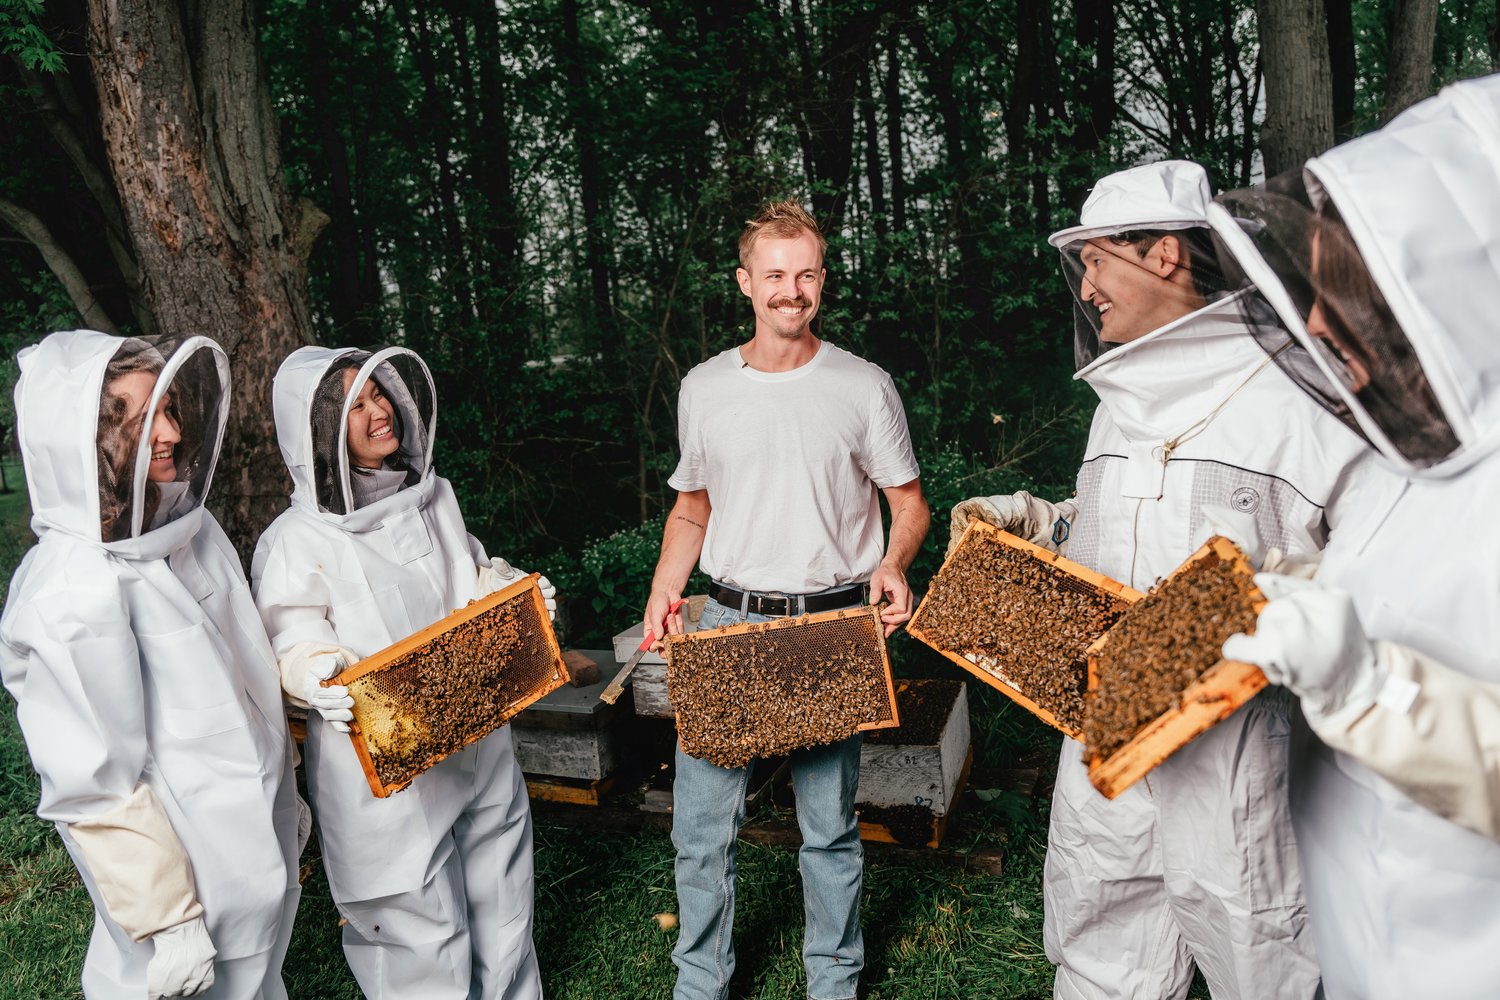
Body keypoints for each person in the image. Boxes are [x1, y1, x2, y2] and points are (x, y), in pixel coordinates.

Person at [951, 160, 1371, 1000]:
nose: (1088, 285)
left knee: (1267, 966)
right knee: (1103, 959)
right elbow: (1105, 525)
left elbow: (1375, 566)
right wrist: (1030, 521)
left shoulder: (1301, 401)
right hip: (1107, 745)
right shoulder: (1119, 405)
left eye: (1100, 258)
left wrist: (1254, 600)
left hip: (1240, 766)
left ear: (1168, 255)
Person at [1204, 73, 1500, 996]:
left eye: (1350, 288)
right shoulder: (1398, 455)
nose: (1319, 322)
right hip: (1356, 936)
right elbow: (1381, 577)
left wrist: (1372, 689)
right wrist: (1282, 580)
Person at [642, 199, 929, 1000]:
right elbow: (692, 505)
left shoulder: (863, 386)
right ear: (746, 282)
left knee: (829, 830)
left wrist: (894, 563)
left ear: (822, 281)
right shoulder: (704, 388)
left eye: (805, 275)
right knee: (701, 831)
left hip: (834, 622)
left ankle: (832, 980)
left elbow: (908, 504)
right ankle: (701, 980)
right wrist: (667, 588)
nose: (790, 290)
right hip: (730, 621)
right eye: (775, 275)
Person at [0, 330, 302, 999]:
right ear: (80, 443)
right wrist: (168, 917)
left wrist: (282, 792)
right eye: (135, 421)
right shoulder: (72, 589)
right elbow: (92, 778)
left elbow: (239, 671)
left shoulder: (188, 531)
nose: (168, 432)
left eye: (168, 410)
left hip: (246, 837)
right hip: (182, 866)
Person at [251, 346, 549, 999]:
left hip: (477, 733)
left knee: (503, 897)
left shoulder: (433, 496)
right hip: (382, 762)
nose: (379, 410)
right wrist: (314, 671)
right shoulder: (296, 540)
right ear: (320, 429)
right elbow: (290, 629)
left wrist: (509, 595)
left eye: (378, 393)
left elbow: (466, 572)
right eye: (355, 404)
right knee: (418, 923)